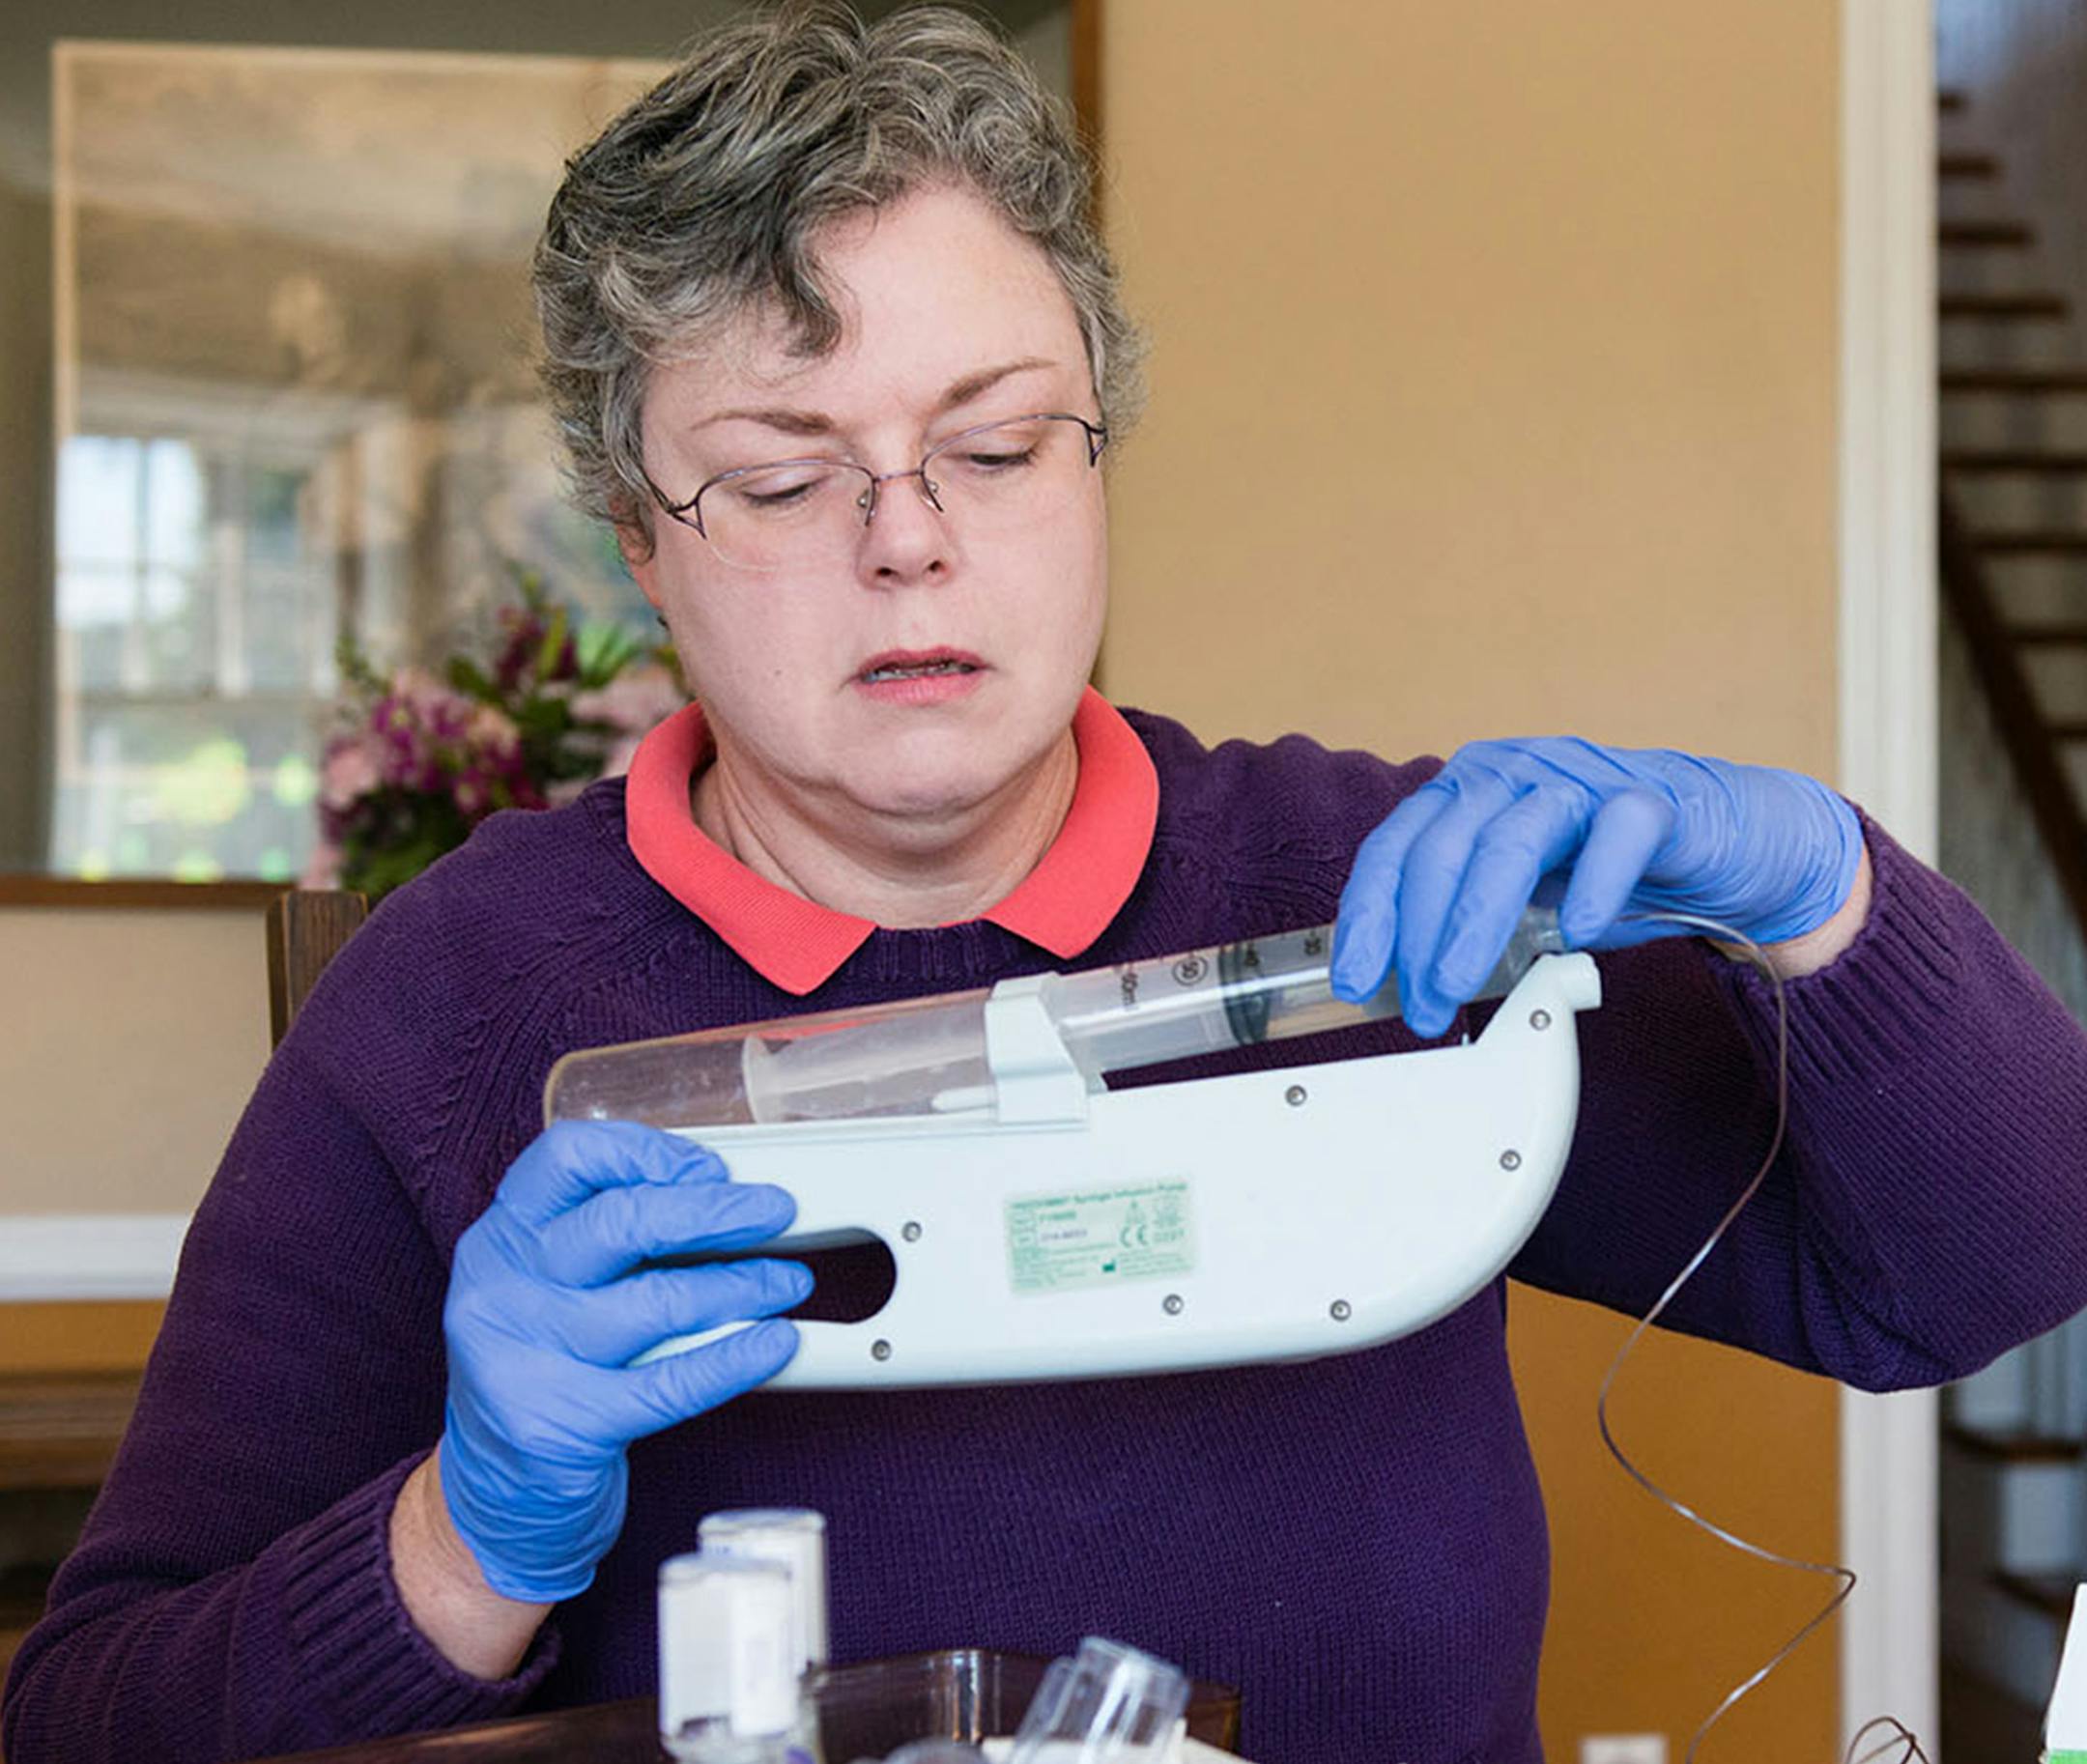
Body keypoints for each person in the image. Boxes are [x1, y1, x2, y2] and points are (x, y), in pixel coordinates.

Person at [6, 6, 2086, 1762]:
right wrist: (462, 1544)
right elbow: (86, 1712)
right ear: (635, 535)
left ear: (1101, 450)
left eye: (993, 447)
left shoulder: (1391, 902)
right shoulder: (452, 1007)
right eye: (785, 473)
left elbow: (1988, 1268)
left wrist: (1822, 895)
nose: (906, 541)